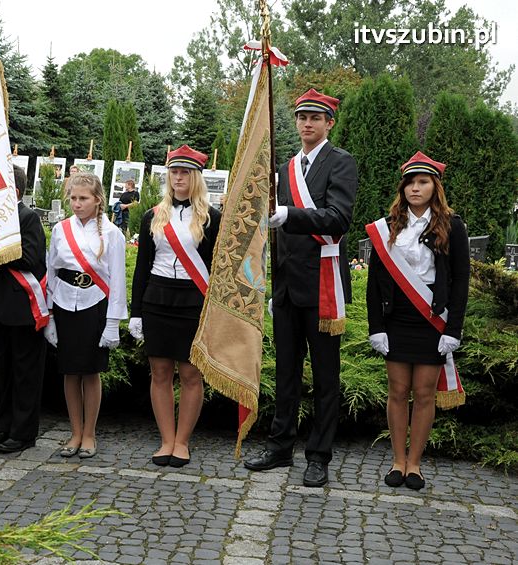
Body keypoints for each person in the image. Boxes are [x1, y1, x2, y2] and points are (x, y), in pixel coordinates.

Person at [244, 89, 358, 488]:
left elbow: (338, 218)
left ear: (329, 123)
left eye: (316, 118)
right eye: (302, 117)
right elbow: (278, 233)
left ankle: (319, 455)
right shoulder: (286, 166)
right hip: (288, 286)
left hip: (324, 285)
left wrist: (288, 214)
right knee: (286, 372)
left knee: (326, 377)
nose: (307, 124)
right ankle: (279, 445)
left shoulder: (341, 163)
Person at [366, 151, 469, 490]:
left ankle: (415, 464)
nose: (415, 188)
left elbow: (460, 280)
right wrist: (376, 326)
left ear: (434, 187)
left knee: (424, 393)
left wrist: (453, 329)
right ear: (403, 188)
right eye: (410, 182)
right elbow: (374, 281)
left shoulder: (452, 226)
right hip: (397, 317)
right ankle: (397, 460)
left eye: (422, 182)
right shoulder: (390, 225)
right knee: (398, 391)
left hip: (432, 317)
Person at [129, 145, 221, 468]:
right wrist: (136, 312)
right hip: (157, 299)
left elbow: (218, 268)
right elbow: (142, 267)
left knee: (191, 373)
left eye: (184, 172)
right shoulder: (153, 216)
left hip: (194, 300)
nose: (178, 177)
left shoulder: (213, 218)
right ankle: (166, 440)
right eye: (174, 172)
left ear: (195, 177)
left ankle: (182, 442)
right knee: (160, 372)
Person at [45, 172, 127, 459]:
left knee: (90, 372)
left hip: (96, 304)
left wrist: (113, 323)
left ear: (97, 200)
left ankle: (89, 434)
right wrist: (50, 315)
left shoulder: (112, 233)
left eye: (83, 198)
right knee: (70, 371)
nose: (77, 204)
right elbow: (51, 272)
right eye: (73, 198)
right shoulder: (60, 230)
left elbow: (117, 280)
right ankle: (75, 432)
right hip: (65, 304)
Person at [0, 166, 48, 454]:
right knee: (5, 373)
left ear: (15, 191)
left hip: (24, 310)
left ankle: (23, 433)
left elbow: (33, 259)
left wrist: (1, 249)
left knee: (25, 375)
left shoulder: (28, 217)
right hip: (0, 309)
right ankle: (4, 427)